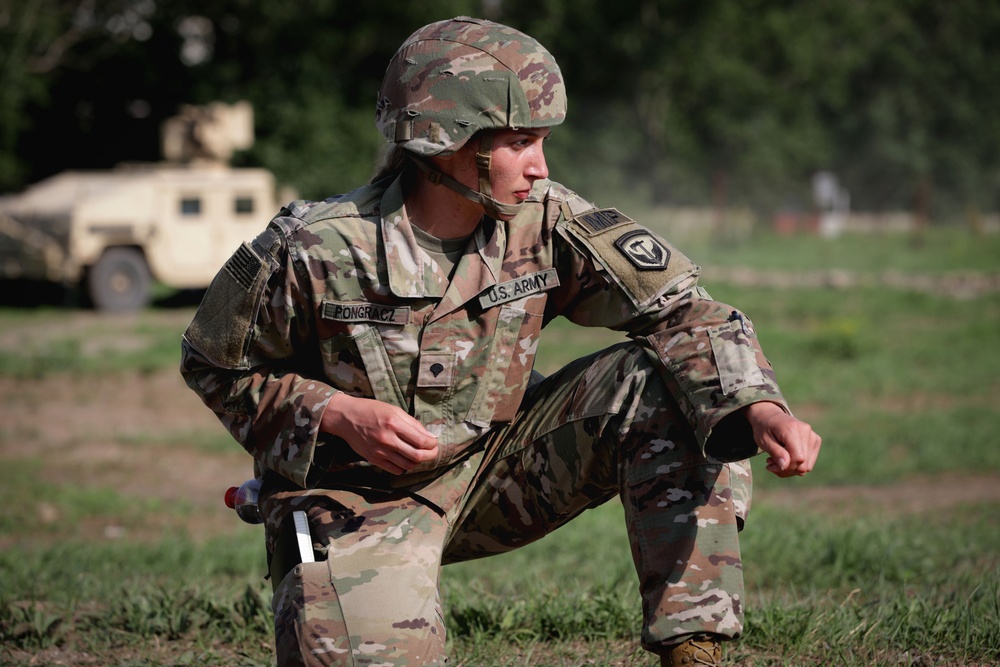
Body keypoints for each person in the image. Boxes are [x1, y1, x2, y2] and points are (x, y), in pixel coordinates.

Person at [180, 15, 821, 667]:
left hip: (498, 472)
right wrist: (337, 413)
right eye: (520, 141)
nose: (541, 165)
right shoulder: (316, 247)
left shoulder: (547, 219)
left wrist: (759, 405)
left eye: (542, 140)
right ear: (443, 139)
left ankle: (694, 644)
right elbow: (214, 366)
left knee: (680, 385)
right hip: (354, 497)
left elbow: (683, 313)